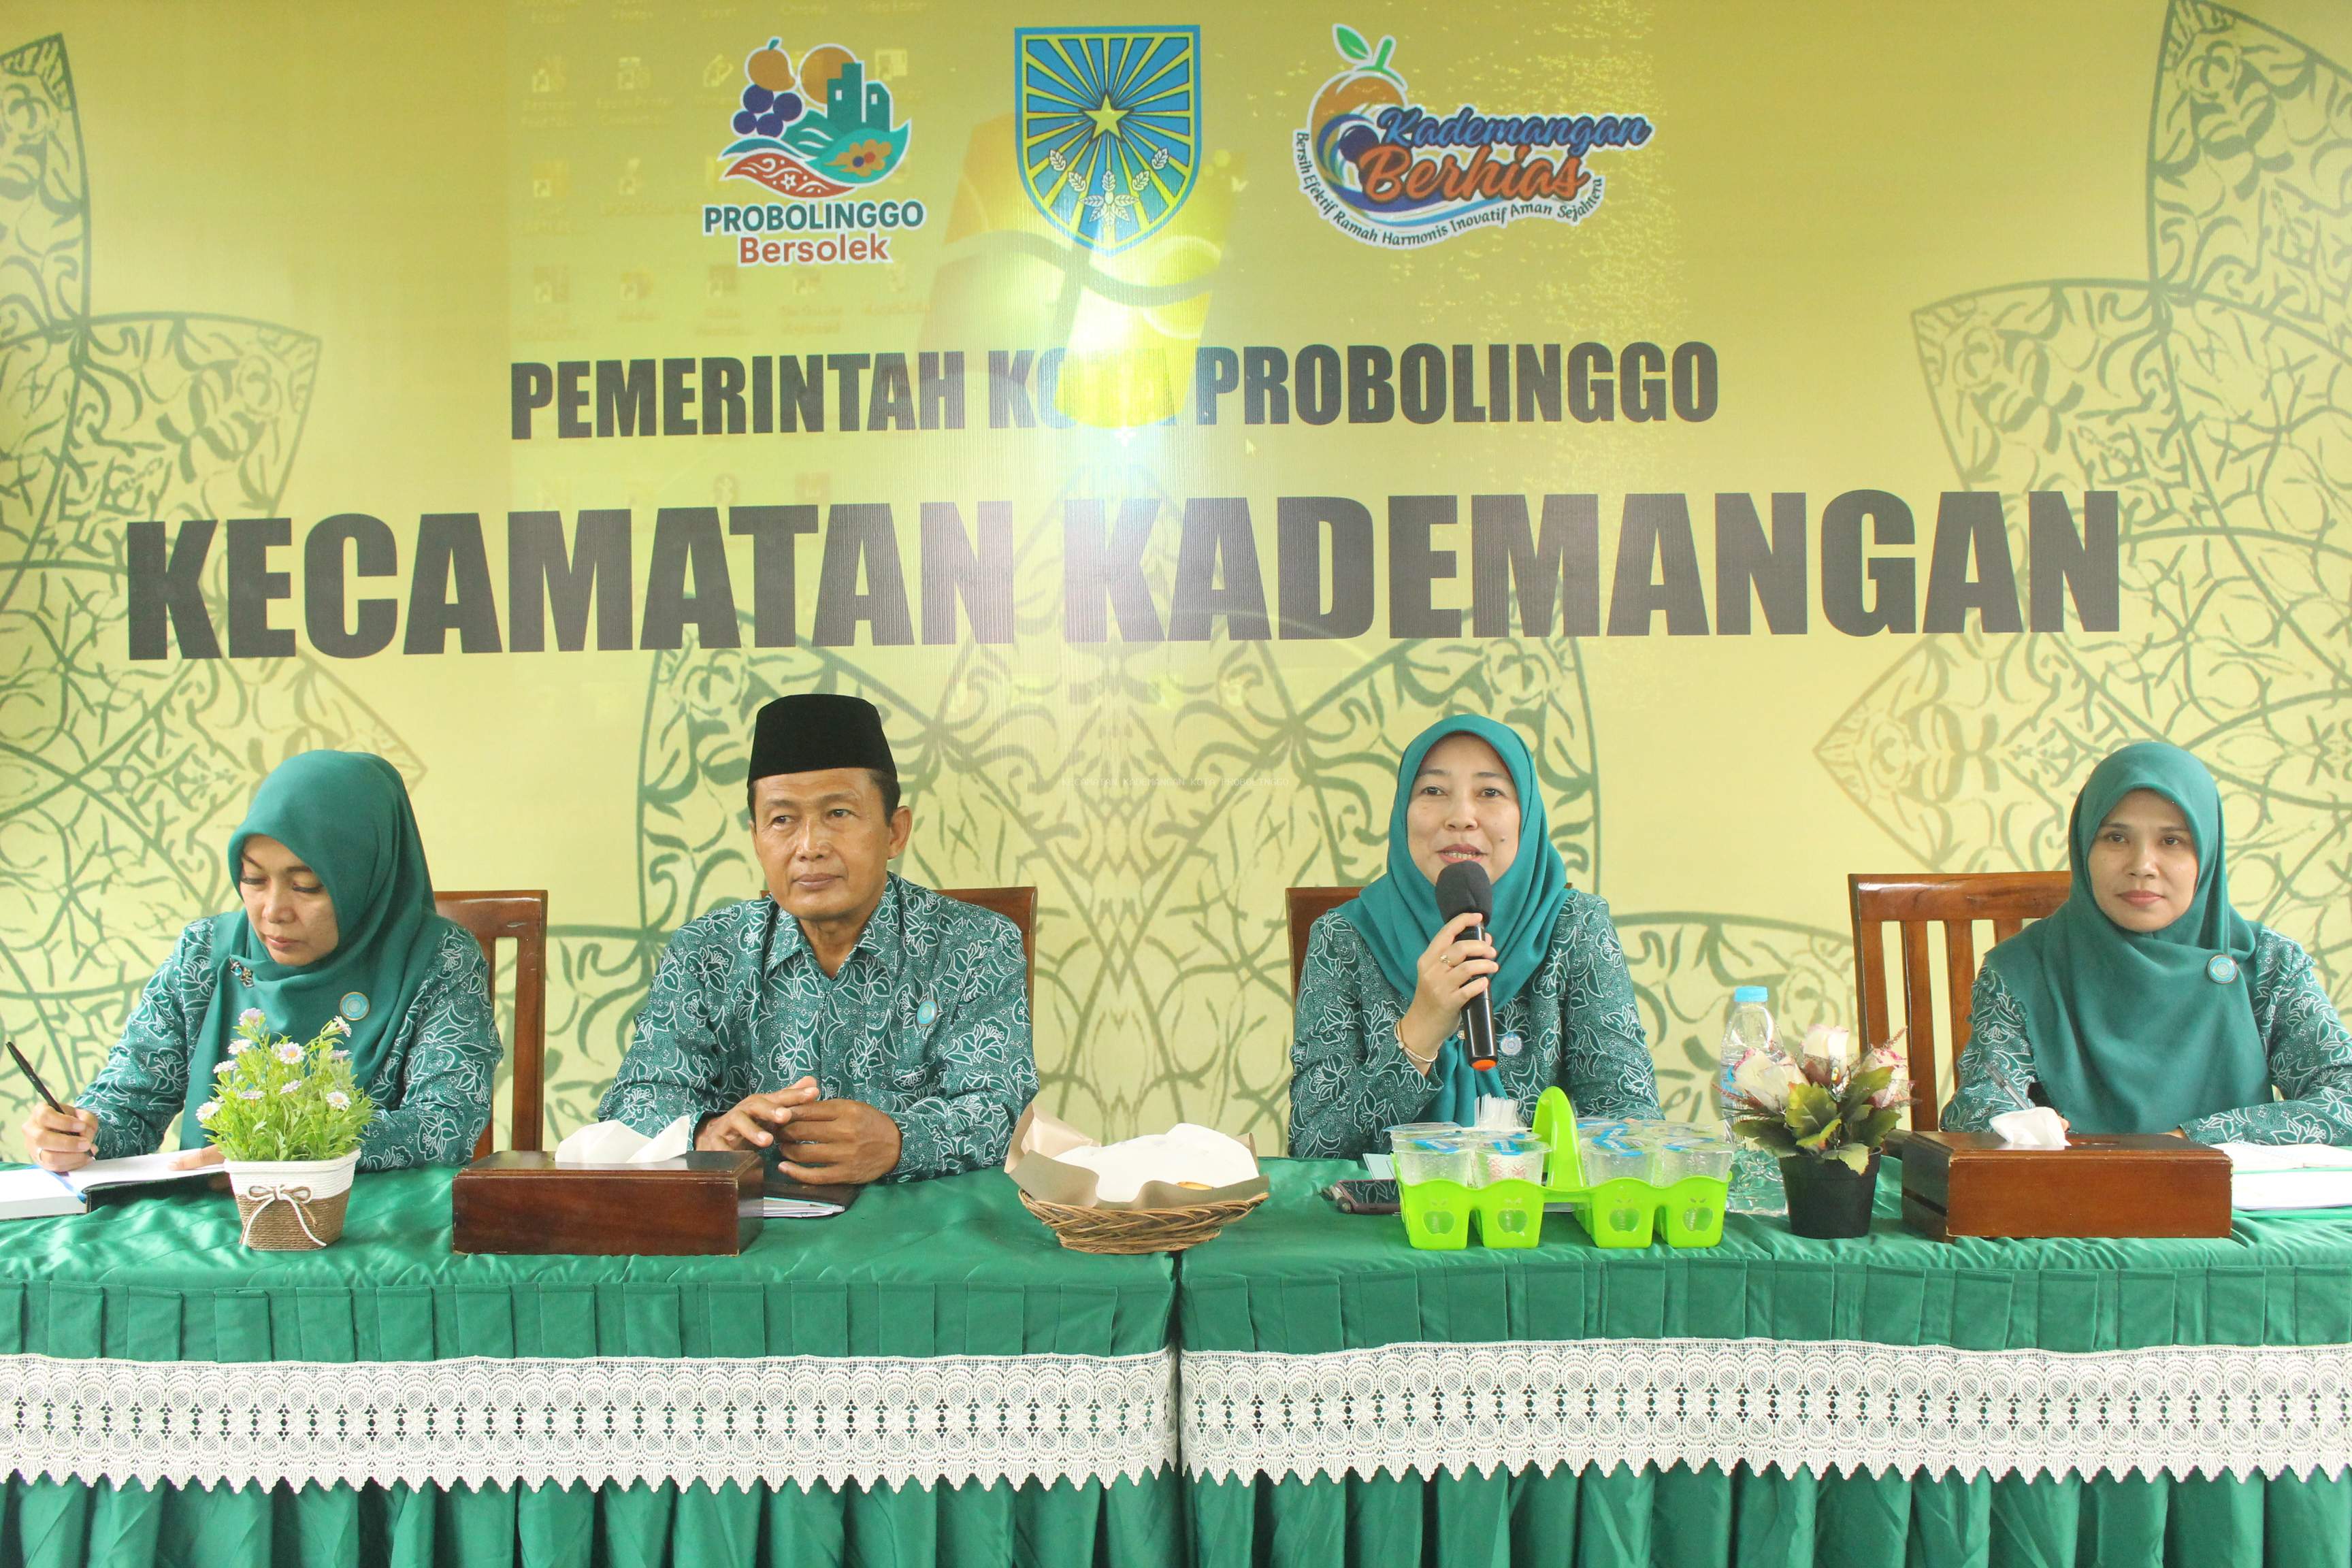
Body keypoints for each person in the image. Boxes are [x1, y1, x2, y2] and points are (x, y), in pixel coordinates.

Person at [598, 693, 1035, 1183]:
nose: (809, 847)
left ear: (895, 831)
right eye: (782, 820)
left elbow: (1002, 1109)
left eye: (838, 814)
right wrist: (708, 1133)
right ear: (756, 838)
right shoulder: (706, 952)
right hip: (751, 1221)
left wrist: (900, 1141)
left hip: (918, 1220)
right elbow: (637, 1098)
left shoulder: (975, 944)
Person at [20, 751, 501, 1171]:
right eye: (253, 879)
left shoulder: (439, 959)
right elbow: (130, 1104)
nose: (273, 911)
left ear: (365, 877)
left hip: (375, 1226)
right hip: (215, 1223)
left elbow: (444, 1124)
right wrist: (78, 1136)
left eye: (306, 885)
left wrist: (276, 1149)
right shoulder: (205, 953)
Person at [1289, 715, 1661, 1159]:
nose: (1461, 817)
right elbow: (1313, 1148)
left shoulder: (1576, 927)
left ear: (1526, 816)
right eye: (1433, 791)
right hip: (1387, 1204)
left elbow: (1631, 1123)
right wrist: (1420, 1031)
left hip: (1538, 1202)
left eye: (1490, 792)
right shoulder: (1345, 937)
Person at [1945, 741, 2352, 1142]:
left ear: (2207, 854)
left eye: (2172, 841)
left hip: (2232, 1184)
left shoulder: (2267, 964)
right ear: (2084, 846)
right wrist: (2017, 1124)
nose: (2142, 866)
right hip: (2079, 1180)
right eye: (2116, 838)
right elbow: (1979, 1108)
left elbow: (2344, 1096)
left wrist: (2190, 1140)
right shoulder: (2021, 970)